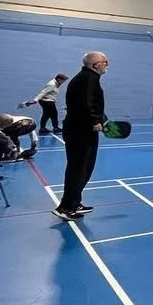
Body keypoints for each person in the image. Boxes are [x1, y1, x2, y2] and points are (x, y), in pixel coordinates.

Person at [53, 51, 109, 221]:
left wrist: (100, 118)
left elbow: (87, 103)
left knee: (82, 168)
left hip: (79, 129)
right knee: (78, 169)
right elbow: (87, 103)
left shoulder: (86, 77)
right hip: (81, 131)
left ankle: (74, 202)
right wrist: (94, 121)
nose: (107, 64)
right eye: (104, 61)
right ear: (95, 64)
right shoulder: (88, 78)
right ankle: (65, 207)